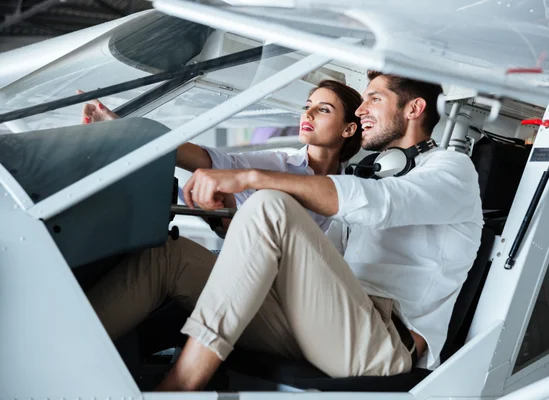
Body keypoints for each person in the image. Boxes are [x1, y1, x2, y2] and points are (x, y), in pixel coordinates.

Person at [86, 71, 483, 392]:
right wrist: (228, 218)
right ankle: (62, 356)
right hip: (325, 323)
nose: (362, 109)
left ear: (414, 108)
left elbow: (382, 205)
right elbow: (306, 257)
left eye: (374, 99)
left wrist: (252, 178)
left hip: (382, 345)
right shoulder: (373, 174)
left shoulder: (451, 170)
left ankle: (181, 387)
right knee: (172, 256)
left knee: (271, 203)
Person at [77, 80, 363, 232]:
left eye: (323, 109)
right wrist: (121, 128)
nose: (308, 114)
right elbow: (203, 159)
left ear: (349, 128)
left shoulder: (358, 189)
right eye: (307, 105)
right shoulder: (280, 164)